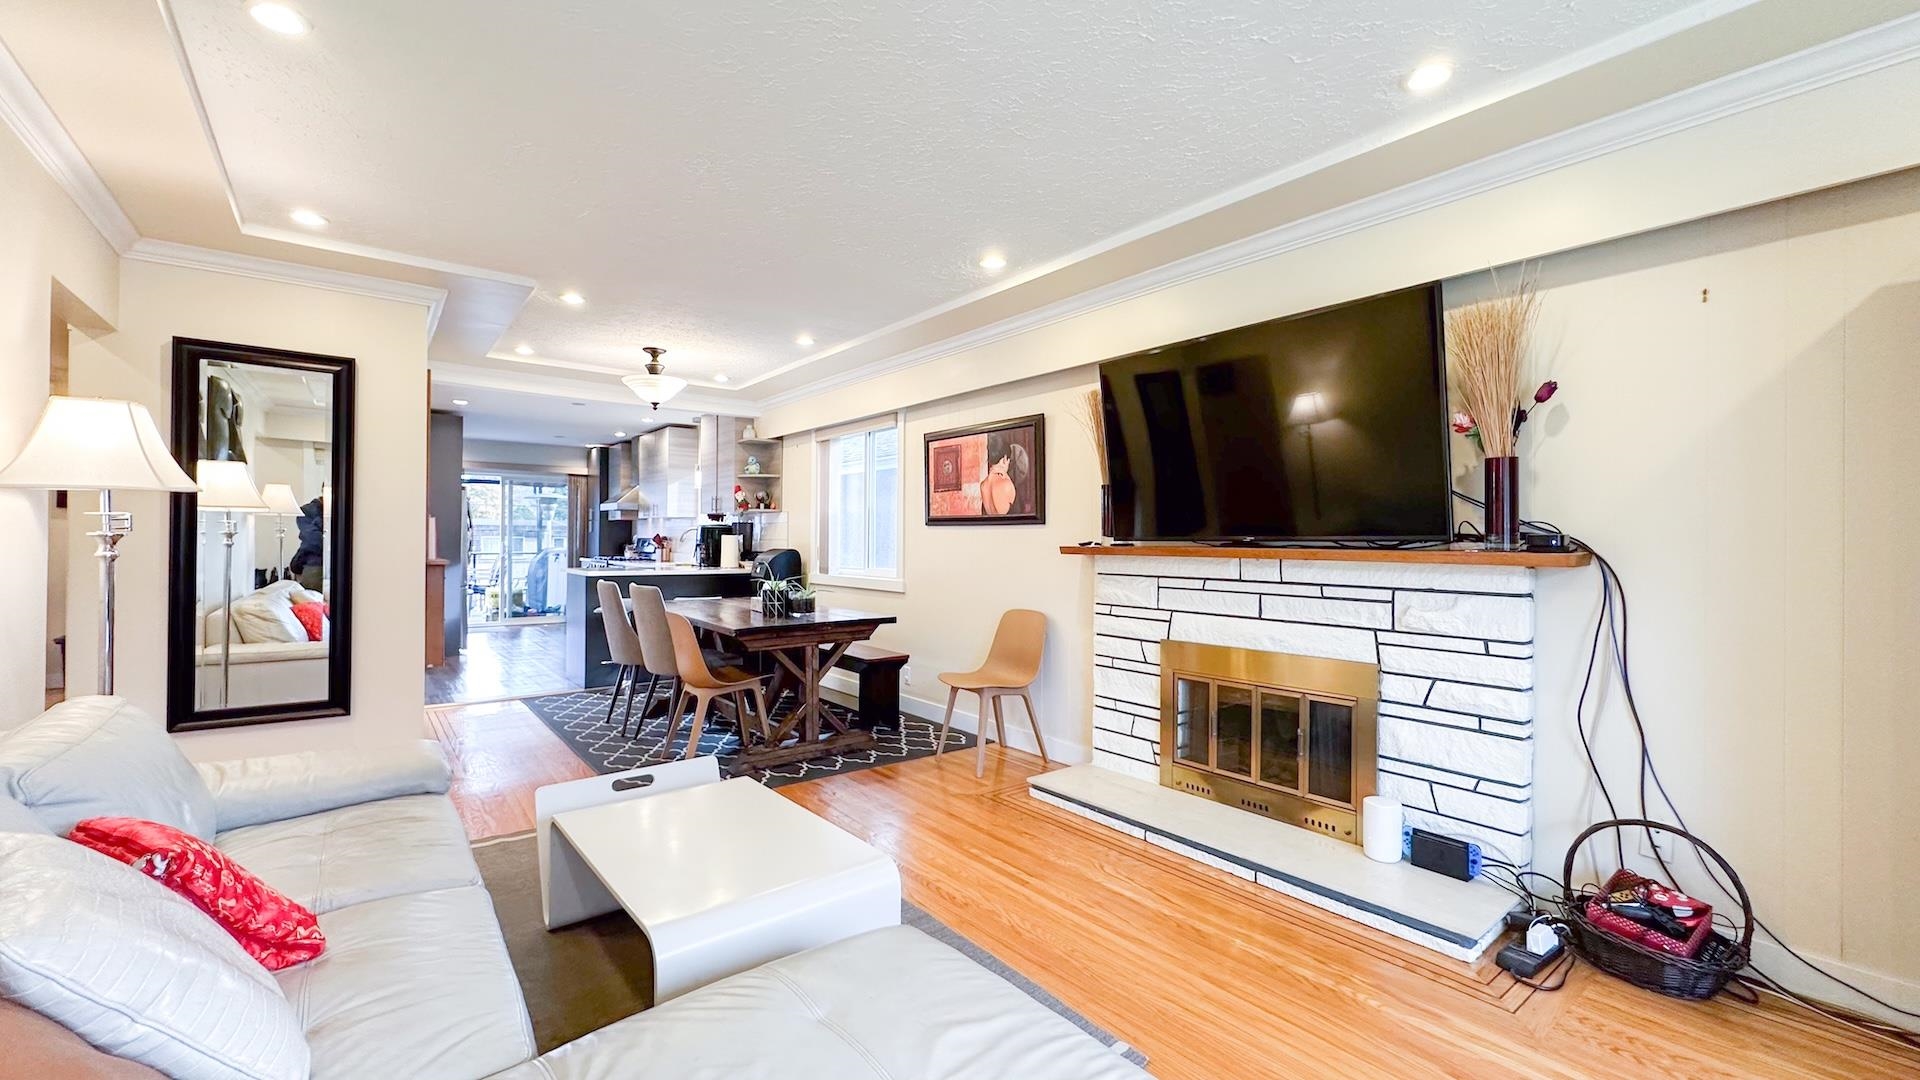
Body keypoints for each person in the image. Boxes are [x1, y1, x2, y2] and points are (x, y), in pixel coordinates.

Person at [980, 432, 1030, 516]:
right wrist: (1007, 477)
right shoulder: (1006, 484)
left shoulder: (983, 485)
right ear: (1005, 459)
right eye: (1009, 461)